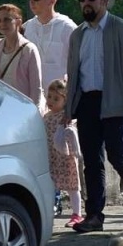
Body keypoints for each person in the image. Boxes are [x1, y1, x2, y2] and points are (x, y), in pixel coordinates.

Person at [64, 0, 123, 233]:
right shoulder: (78, 34)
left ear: (104, 0)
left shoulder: (121, 29)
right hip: (87, 103)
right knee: (91, 160)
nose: (86, 3)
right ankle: (94, 216)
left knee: (118, 155)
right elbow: (73, 72)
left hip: (115, 101)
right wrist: (69, 108)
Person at [42, 78, 84, 227]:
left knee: (73, 186)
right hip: (51, 157)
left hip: (66, 158)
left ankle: (77, 214)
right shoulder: (46, 117)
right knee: (50, 186)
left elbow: (72, 134)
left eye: (56, 98)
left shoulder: (66, 117)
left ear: (65, 101)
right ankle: (48, 212)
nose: (51, 101)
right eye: (49, 97)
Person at [0, 3, 43, 106]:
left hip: (22, 106)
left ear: (18, 22)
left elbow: (36, 87)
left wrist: (35, 112)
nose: (2, 23)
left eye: (7, 19)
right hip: (1, 105)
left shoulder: (29, 49)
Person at [23, 0, 77, 89]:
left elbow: (79, 63)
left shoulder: (68, 28)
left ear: (52, 0)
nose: (32, 2)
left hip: (59, 97)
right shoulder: (26, 28)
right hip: (32, 94)